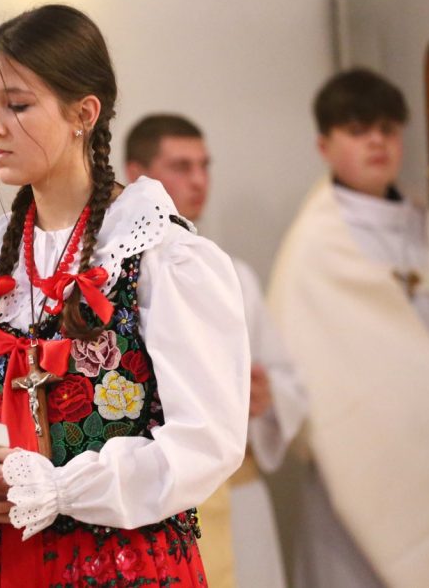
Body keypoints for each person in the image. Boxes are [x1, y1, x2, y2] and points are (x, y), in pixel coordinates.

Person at [0, 4, 249, 587]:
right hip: (13, 564)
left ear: (84, 113)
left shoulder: (159, 252)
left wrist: (60, 487)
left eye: (17, 105)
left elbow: (208, 441)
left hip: (127, 565)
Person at [267, 68, 429, 587]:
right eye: (358, 130)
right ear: (324, 146)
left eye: (387, 128)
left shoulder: (424, 226)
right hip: (363, 465)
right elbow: (301, 371)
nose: (377, 141)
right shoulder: (314, 247)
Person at [125, 113, 307, 588]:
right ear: (136, 174)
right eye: (181, 166)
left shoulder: (233, 275)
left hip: (239, 493)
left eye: (204, 166)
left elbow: (286, 380)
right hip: (156, 502)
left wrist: (267, 398)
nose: (199, 180)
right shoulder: (113, 280)